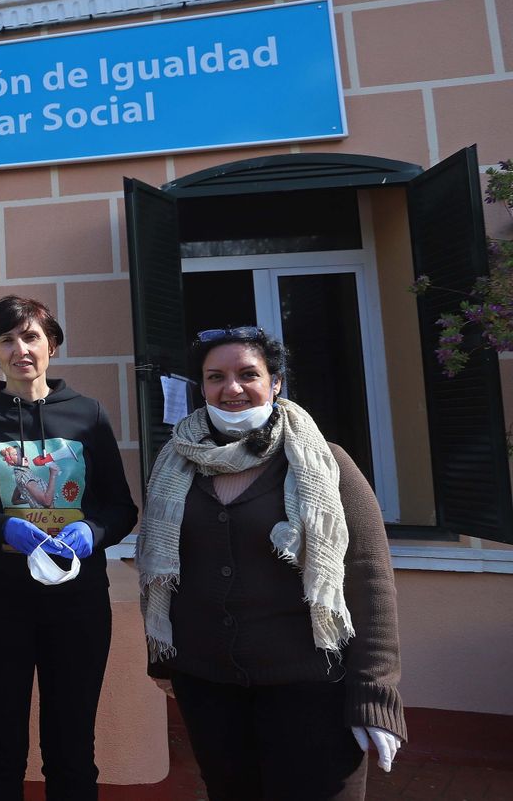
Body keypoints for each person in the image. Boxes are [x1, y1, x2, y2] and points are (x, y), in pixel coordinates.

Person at [136, 327, 405, 800]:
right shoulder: (174, 463)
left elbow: (370, 581)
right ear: (202, 387)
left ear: (276, 382)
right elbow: (163, 571)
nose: (232, 388)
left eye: (248, 374)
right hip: (208, 685)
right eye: (215, 376)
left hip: (311, 688)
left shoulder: (327, 463)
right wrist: (167, 662)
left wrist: (373, 693)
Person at [0, 295, 138, 800]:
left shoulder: (88, 415)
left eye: (31, 337)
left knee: (73, 741)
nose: (21, 350)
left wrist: (93, 534)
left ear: (51, 344)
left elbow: (121, 508)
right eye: (7, 340)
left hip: (77, 606)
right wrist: (0, 527)